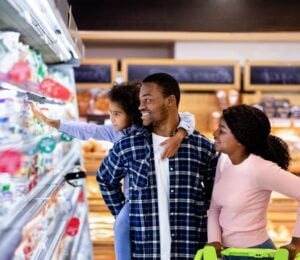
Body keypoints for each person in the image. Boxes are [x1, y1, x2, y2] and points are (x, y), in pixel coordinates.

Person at [30, 81, 196, 260]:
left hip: (165, 199)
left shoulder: (155, 128)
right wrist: (54, 123)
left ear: (134, 114)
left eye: (117, 114)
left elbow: (187, 117)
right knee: (123, 228)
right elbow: (89, 130)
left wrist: (180, 135)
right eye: (110, 114)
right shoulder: (118, 133)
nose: (112, 119)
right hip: (134, 202)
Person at [97, 72, 219, 259]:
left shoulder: (202, 147)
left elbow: (214, 196)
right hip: (145, 251)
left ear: (170, 101)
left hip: (189, 250)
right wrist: (127, 214)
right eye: (140, 101)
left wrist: (200, 221)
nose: (141, 107)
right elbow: (105, 179)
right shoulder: (129, 145)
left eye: (148, 100)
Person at [207, 104, 300, 260]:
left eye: (222, 131)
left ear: (241, 139)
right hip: (225, 254)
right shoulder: (224, 162)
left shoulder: (260, 168)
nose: (215, 133)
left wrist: (297, 242)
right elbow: (215, 208)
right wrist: (214, 241)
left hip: (255, 254)